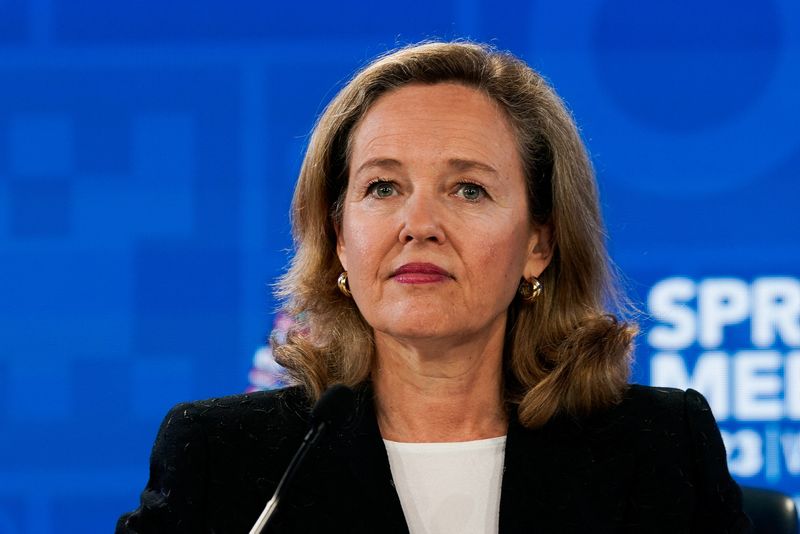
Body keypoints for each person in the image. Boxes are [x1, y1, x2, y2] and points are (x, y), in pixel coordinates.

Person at [117, 41, 751, 533]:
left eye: (468, 189)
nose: (417, 225)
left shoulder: (660, 447)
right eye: (382, 188)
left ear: (539, 243)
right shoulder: (225, 458)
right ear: (340, 237)